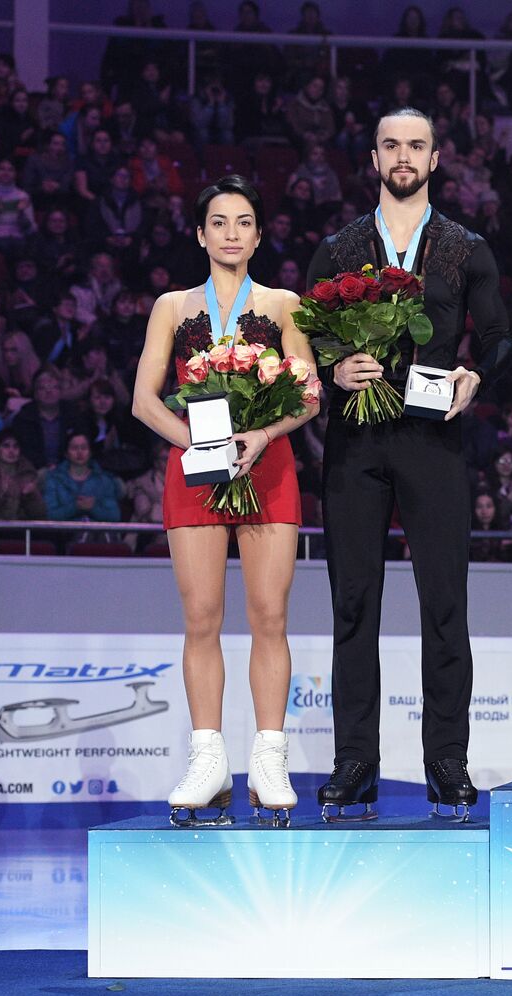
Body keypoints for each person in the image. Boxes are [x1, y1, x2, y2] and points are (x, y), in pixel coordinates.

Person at [307, 108, 512, 820]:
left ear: (434, 158)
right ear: (373, 158)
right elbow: (306, 342)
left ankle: (446, 761)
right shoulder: (338, 249)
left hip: (433, 442)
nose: (404, 156)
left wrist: (473, 376)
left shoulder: (465, 246)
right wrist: (334, 367)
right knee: (353, 605)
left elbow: (497, 337)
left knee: (444, 606)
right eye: (391, 144)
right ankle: (355, 761)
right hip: (356, 444)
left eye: (415, 145)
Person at [131, 175, 320, 827]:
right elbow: (142, 399)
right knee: (202, 617)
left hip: (268, 468)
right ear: (200, 233)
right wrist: (195, 443)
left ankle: (269, 757)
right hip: (195, 469)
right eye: (219, 222)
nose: (231, 233)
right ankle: (207, 758)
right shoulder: (171, 306)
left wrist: (263, 433)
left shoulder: (284, 302)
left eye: (244, 222)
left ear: (259, 234)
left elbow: (310, 393)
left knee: (270, 616)